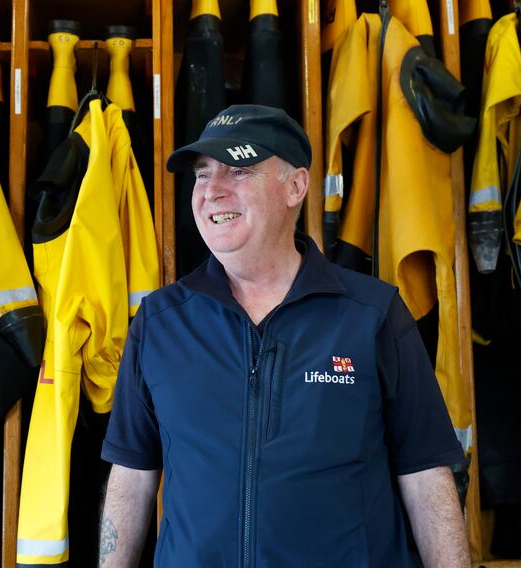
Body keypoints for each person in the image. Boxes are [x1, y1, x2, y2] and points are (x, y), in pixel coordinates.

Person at [99, 104, 471, 567]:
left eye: (237, 170)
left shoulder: (372, 315)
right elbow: (131, 479)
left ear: (295, 185)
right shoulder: (159, 322)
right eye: (201, 174)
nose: (211, 190)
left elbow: (426, 474)